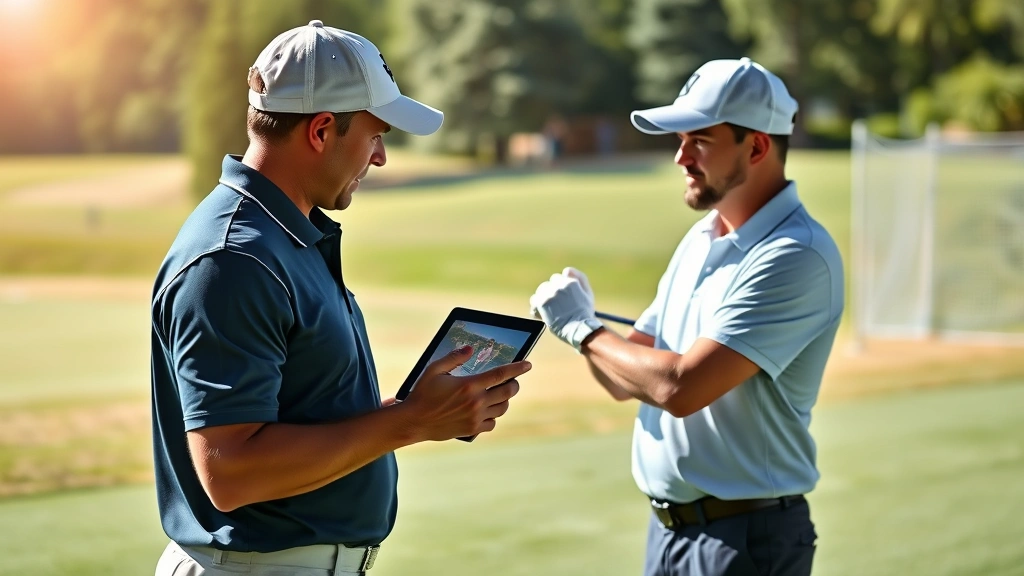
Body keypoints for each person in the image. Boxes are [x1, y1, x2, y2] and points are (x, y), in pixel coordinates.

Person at [150, 21, 530, 576]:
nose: (379, 158)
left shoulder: (285, 236)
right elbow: (229, 472)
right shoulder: (235, 259)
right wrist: (409, 424)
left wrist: (416, 412)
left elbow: (305, 416)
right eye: (376, 136)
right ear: (322, 129)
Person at [529, 57, 844, 576]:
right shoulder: (701, 238)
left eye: (700, 139)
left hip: (748, 540)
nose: (680, 157)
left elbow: (680, 388)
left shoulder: (795, 255)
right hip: (671, 535)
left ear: (758, 146)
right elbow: (627, 379)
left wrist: (581, 328)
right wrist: (586, 321)